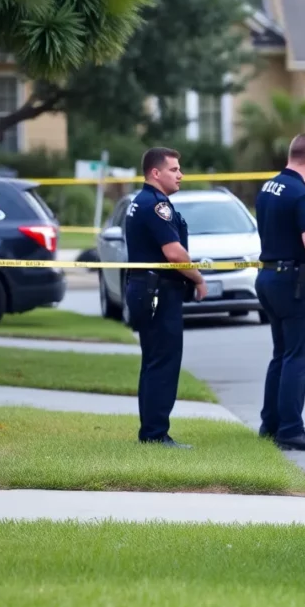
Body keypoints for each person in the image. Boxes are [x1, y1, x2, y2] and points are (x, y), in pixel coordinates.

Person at [255, 133, 305, 452]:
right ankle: (291, 429)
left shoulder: (269, 187)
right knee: (298, 357)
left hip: (269, 277)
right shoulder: (303, 195)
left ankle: (271, 424)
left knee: (281, 354)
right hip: (294, 283)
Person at [124, 147, 207, 448]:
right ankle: (155, 434)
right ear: (155, 173)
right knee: (163, 363)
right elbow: (174, 253)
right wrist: (198, 278)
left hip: (147, 289)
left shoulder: (140, 201)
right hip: (158, 291)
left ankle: (151, 431)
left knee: (153, 361)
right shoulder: (157, 205)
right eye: (174, 170)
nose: (180, 175)